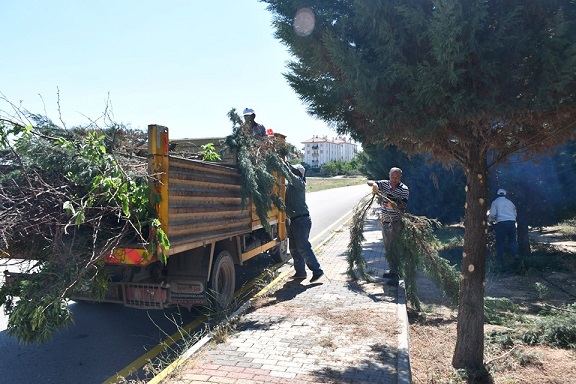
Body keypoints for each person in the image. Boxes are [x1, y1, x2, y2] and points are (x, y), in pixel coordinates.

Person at [367, 167, 409, 286]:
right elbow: (369, 182)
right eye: (392, 177)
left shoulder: (404, 189)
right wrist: (374, 185)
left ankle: (395, 276)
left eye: (397, 177)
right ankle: (392, 270)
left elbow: (403, 205)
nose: (394, 179)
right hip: (385, 222)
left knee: (394, 247)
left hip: (396, 222)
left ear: (400, 177)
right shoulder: (384, 184)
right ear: (389, 175)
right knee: (388, 248)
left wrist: (394, 204)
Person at [284, 162, 324, 283]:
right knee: (294, 248)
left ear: (299, 173)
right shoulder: (291, 186)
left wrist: (283, 165)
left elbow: (289, 175)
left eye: (294, 170)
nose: (292, 171)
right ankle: (300, 272)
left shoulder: (300, 183)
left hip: (302, 220)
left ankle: (317, 270)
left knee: (303, 247)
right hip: (294, 220)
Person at [488, 188, 519, 263]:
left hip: (501, 224)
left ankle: (499, 259)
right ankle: (516, 254)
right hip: (511, 223)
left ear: (497, 194)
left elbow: (492, 214)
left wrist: (490, 221)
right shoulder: (510, 202)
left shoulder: (495, 202)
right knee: (513, 240)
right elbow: (515, 213)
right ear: (505, 194)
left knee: (500, 241)